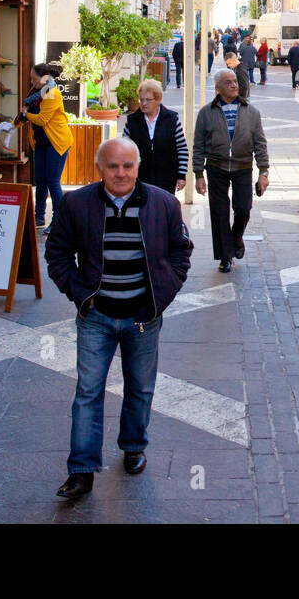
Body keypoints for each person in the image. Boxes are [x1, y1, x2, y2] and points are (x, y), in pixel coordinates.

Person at [46, 137, 193, 500]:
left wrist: (164, 294)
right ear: (100, 169)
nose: (121, 173)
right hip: (97, 316)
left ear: (137, 168)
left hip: (143, 317)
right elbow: (57, 253)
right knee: (88, 392)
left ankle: (133, 446)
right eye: (113, 166)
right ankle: (81, 470)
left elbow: (181, 252)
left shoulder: (163, 204)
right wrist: (80, 294)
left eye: (128, 166)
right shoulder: (77, 204)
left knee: (140, 388)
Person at [193, 69, 270, 273]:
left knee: (243, 208)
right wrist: (198, 174)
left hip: (243, 166)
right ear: (218, 89)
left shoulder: (251, 112)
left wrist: (264, 172)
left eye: (235, 81)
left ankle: (236, 238)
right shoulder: (206, 113)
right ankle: (225, 256)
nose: (234, 85)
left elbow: (260, 143)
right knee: (219, 212)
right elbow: (198, 145)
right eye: (228, 83)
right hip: (216, 167)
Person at [22, 63, 74, 231]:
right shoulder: (38, 94)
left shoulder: (52, 94)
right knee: (41, 181)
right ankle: (38, 218)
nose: (32, 82)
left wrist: (25, 114)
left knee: (52, 181)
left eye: (34, 79)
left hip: (56, 142)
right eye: (31, 79)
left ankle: (58, 221)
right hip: (42, 143)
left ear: (44, 79)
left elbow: (42, 119)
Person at [121, 79, 187, 196]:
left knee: (163, 212)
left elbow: (182, 149)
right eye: (141, 99)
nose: (144, 103)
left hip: (167, 180)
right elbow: (124, 151)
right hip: (139, 181)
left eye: (148, 100)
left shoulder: (171, 119)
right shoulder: (132, 122)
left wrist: (181, 176)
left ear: (158, 100)